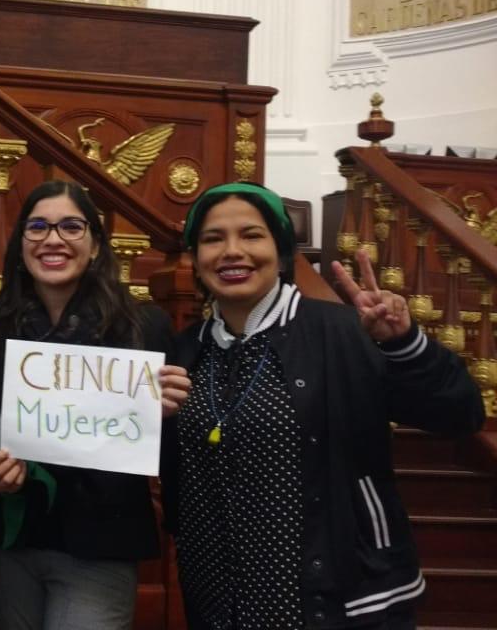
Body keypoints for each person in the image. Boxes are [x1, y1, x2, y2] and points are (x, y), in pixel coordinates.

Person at [161, 182, 485, 630]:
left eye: (252, 235)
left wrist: (404, 344)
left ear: (282, 248)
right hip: (220, 598)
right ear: (196, 257)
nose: (232, 251)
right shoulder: (184, 351)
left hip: (338, 598)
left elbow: (459, 413)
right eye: (213, 239)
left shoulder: (344, 332)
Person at [0, 180, 190, 630]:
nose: (53, 239)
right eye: (37, 227)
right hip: (16, 542)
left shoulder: (143, 326)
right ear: (22, 245)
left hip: (101, 540)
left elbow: (170, 447)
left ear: (95, 245)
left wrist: (169, 413)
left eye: (71, 226)